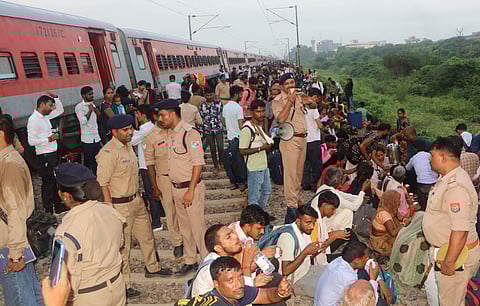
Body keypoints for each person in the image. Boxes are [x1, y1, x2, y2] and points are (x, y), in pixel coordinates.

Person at [96, 115, 172, 298]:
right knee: (124, 247)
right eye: (125, 130)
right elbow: (103, 183)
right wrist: (109, 209)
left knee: (147, 237)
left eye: (131, 128)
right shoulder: (108, 153)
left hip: (136, 201)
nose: (130, 132)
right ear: (114, 132)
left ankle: (152, 267)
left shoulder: (128, 146)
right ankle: (125, 284)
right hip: (119, 206)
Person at [53, 163, 126, 305]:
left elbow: (62, 277)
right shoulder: (111, 212)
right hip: (117, 287)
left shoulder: (64, 232)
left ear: (67, 196)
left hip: (88, 296)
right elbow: (120, 243)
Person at [423, 136, 480, 306]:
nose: (430, 160)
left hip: (456, 255)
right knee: (445, 296)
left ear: (443, 157)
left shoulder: (456, 187)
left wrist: (449, 261)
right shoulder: (447, 179)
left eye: (431, 156)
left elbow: (460, 230)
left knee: (451, 301)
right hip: (446, 250)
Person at [155, 99, 209, 275]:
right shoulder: (170, 133)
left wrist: (191, 190)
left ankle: (207, 262)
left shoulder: (190, 133)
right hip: (176, 188)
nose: (160, 118)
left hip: (189, 189)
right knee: (185, 228)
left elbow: (197, 164)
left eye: (162, 115)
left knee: (197, 227)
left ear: (172, 114)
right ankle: (190, 260)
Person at [0, 114, 43, 305]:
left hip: (11, 244)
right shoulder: (7, 159)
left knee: (20, 298)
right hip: (13, 240)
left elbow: (15, 210)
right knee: (29, 292)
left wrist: (15, 254)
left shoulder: (9, 165)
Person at [145, 102, 184, 258]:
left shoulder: (176, 131)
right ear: (155, 117)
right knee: (170, 212)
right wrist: (154, 186)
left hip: (180, 177)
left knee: (184, 211)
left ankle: (189, 240)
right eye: (159, 115)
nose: (162, 118)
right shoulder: (151, 136)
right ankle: (177, 243)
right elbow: (149, 164)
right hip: (164, 179)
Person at [272, 73, 308, 223]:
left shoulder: (299, 97)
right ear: (282, 87)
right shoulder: (277, 100)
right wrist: (289, 101)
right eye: (287, 83)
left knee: (298, 174)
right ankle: (291, 207)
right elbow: (280, 119)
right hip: (290, 140)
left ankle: (296, 201)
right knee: (290, 175)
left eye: (292, 82)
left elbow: (310, 104)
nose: (290, 85)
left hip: (302, 139)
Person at [27, 92, 68, 214]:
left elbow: (60, 110)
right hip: (44, 156)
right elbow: (31, 141)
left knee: (54, 180)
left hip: (51, 154)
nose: (51, 109)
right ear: (42, 104)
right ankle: (48, 209)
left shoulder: (45, 117)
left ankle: (58, 206)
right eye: (50, 106)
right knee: (48, 183)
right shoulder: (33, 120)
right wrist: (48, 139)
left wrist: (56, 97)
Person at [190, 256, 291, 306]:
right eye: (230, 280)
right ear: (216, 284)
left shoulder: (236, 292)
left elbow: (267, 296)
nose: (238, 284)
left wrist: (280, 292)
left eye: (240, 276)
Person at [314, 241, 389, 306]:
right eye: (366, 258)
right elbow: (366, 302)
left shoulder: (340, 260)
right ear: (357, 260)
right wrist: (373, 280)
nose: (368, 259)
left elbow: (366, 266)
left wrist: (380, 281)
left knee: (363, 272)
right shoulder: (348, 277)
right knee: (380, 303)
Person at [277, 205, 326, 296]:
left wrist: (314, 251)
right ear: (298, 221)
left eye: (314, 223)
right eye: (308, 223)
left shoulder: (303, 231)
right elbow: (286, 271)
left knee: (333, 272)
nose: (312, 227)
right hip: (296, 280)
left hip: (306, 269)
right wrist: (305, 252)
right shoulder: (288, 237)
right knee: (328, 290)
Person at [131, 104, 164, 232]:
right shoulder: (151, 127)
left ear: (143, 115)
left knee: (151, 193)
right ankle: (162, 212)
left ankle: (156, 222)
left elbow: (132, 141)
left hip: (146, 165)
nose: (137, 117)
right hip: (152, 164)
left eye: (137, 114)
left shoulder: (145, 131)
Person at [239, 100, 273, 211]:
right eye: (258, 111)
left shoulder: (258, 126)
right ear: (251, 112)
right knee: (254, 196)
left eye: (263, 111)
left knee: (266, 191)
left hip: (263, 166)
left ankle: (261, 214)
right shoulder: (247, 129)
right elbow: (242, 150)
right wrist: (260, 148)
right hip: (253, 167)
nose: (261, 114)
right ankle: (254, 218)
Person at [314, 168, 368, 233]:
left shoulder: (323, 187)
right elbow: (355, 207)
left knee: (342, 208)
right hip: (322, 225)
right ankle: (343, 235)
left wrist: (360, 196)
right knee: (348, 212)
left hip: (318, 220)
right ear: (338, 182)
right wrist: (362, 190)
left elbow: (345, 196)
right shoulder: (335, 196)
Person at [223, 85, 247, 191]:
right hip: (238, 137)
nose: (242, 96)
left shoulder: (225, 107)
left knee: (231, 161)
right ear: (236, 94)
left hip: (230, 137)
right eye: (241, 94)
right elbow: (240, 125)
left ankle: (233, 182)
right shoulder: (238, 108)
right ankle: (241, 181)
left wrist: (229, 128)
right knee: (239, 162)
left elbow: (223, 122)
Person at [75, 86, 101, 175]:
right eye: (89, 94)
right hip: (87, 139)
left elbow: (98, 115)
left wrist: (94, 108)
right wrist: (90, 111)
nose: (92, 96)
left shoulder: (92, 104)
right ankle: (85, 178)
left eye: (92, 94)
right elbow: (83, 121)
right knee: (88, 160)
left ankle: (96, 177)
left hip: (96, 137)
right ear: (83, 96)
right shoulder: (79, 107)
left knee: (97, 159)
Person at [370, 190, 405, 257]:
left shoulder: (384, 208)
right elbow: (393, 233)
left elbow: (398, 217)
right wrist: (403, 225)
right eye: (397, 200)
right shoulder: (384, 215)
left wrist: (402, 219)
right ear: (392, 201)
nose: (398, 202)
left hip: (379, 239)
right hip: (381, 244)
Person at [405, 142, 438, 211]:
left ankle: (423, 211)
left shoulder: (414, 157)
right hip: (434, 183)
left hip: (422, 184)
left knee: (422, 204)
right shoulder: (430, 155)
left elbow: (407, 168)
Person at [200, 87, 224, 174]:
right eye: (207, 95)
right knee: (212, 149)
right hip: (208, 130)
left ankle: (221, 162)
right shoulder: (202, 106)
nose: (209, 96)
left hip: (218, 128)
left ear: (213, 94)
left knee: (221, 147)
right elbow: (202, 118)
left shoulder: (219, 104)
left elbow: (221, 114)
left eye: (211, 94)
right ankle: (216, 166)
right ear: (204, 95)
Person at [303, 89, 323, 192]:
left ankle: (305, 184)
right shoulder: (313, 107)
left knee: (306, 164)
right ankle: (315, 185)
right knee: (316, 165)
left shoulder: (301, 105)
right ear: (315, 97)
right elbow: (319, 124)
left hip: (304, 140)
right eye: (318, 98)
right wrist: (324, 126)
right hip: (314, 139)